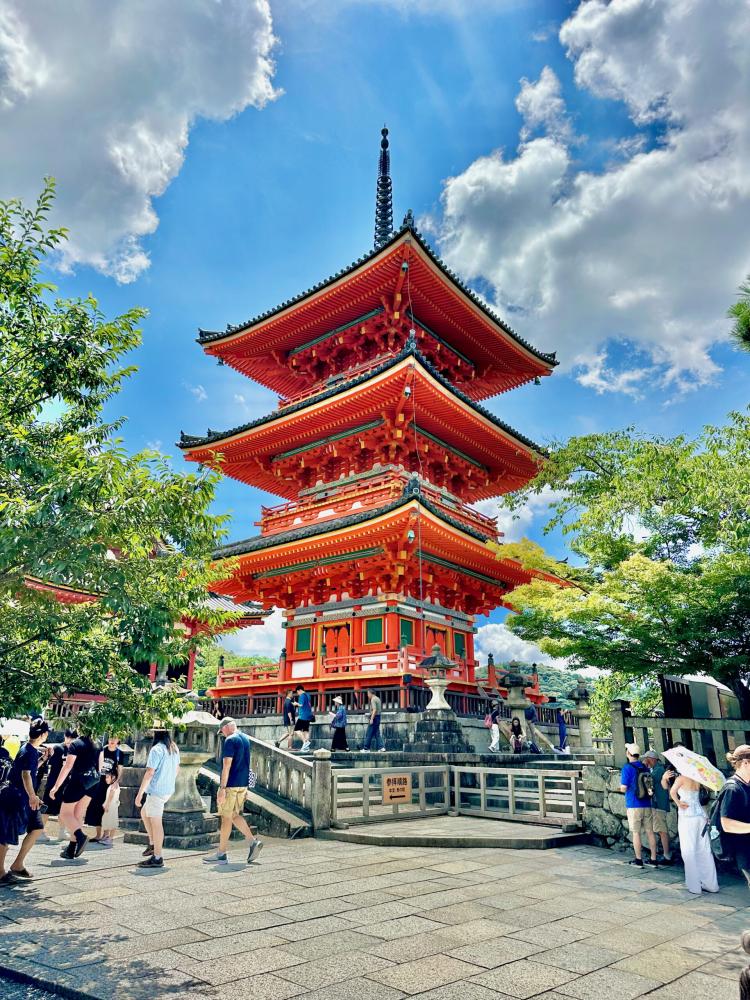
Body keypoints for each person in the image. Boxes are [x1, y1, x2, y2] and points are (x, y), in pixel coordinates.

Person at [203, 718, 263, 866]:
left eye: (222, 730)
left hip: (230, 785)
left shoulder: (230, 740)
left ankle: (221, 854)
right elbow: (247, 763)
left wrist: (222, 789)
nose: (222, 734)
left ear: (227, 727)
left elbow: (227, 765)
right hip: (242, 784)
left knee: (225, 817)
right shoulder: (245, 738)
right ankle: (252, 841)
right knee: (234, 815)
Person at [0, 718, 50, 883]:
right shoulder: (28, 750)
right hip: (17, 797)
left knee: (37, 828)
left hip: (25, 798)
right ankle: (0, 872)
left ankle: (18, 864)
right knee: (6, 835)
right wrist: (32, 796)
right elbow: (25, 774)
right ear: (43, 734)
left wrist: (43, 759)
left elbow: (29, 770)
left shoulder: (30, 750)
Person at [49, 729, 100, 860]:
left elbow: (67, 766)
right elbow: (100, 767)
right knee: (77, 815)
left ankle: (80, 836)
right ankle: (72, 848)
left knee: (65, 813)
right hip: (93, 782)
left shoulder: (75, 744)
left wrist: (56, 786)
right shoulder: (98, 743)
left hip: (78, 782)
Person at [134, 729, 180, 869]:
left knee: (156, 823)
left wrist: (139, 793)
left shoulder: (156, 749)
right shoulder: (173, 747)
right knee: (144, 813)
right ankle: (153, 843)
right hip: (166, 789)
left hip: (156, 791)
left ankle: (157, 856)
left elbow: (149, 772)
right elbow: (177, 768)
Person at [669, 771, 718, 894]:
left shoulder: (681, 778)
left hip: (687, 815)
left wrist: (678, 803)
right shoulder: (699, 778)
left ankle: (694, 886)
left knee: (688, 849)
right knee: (704, 849)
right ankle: (711, 884)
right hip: (701, 815)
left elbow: (672, 792)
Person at [620, 742, 659, 870]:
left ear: (628, 754)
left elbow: (624, 788)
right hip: (647, 803)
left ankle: (638, 860)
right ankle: (653, 859)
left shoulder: (627, 768)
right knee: (650, 832)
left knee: (636, 833)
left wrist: (620, 788)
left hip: (633, 804)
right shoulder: (645, 768)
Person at [719, 745, 750, 886]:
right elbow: (727, 823)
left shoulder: (747, 785)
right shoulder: (732, 788)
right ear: (745, 763)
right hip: (745, 850)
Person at [642, 749, 675, 865]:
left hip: (659, 804)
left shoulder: (658, 770)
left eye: (646, 759)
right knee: (661, 829)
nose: (645, 761)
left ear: (651, 759)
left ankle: (666, 855)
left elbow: (648, 782)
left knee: (662, 830)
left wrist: (644, 767)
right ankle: (666, 854)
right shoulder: (658, 769)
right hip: (659, 804)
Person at [42, 728, 77, 837]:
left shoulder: (74, 750)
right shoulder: (58, 748)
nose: (69, 740)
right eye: (68, 737)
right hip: (53, 782)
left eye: (72, 738)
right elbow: (51, 765)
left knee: (63, 808)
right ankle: (40, 831)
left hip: (66, 784)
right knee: (47, 807)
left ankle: (62, 831)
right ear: (65, 736)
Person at [87, 736, 122, 843]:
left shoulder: (119, 753)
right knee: (96, 807)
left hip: (110, 784)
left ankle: (106, 835)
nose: (112, 740)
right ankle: (98, 834)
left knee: (107, 809)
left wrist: (116, 781)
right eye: (111, 738)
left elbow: (120, 769)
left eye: (115, 738)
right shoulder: (102, 750)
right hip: (99, 782)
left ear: (118, 740)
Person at [99, 765, 121, 848]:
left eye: (107, 777)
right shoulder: (112, 785)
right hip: (110, 805)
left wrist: (107, 804)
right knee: (106, 820)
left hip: (112, 806)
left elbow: (111, 795)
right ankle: (106, 836)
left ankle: (110, 838)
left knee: (112, 821)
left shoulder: (114, 786)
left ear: (113, 777)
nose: (106, 779)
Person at [292, 685, 313, 753]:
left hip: (303, 716)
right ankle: (306, 748)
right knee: (305, 731)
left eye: (297, 692)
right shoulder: (308, 695)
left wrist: (296, 703)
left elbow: (301, 704)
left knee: (296, 730)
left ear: (299, 690)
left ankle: (305, 742)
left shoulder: (302, 696)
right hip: (308, 715)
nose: (298, 694)